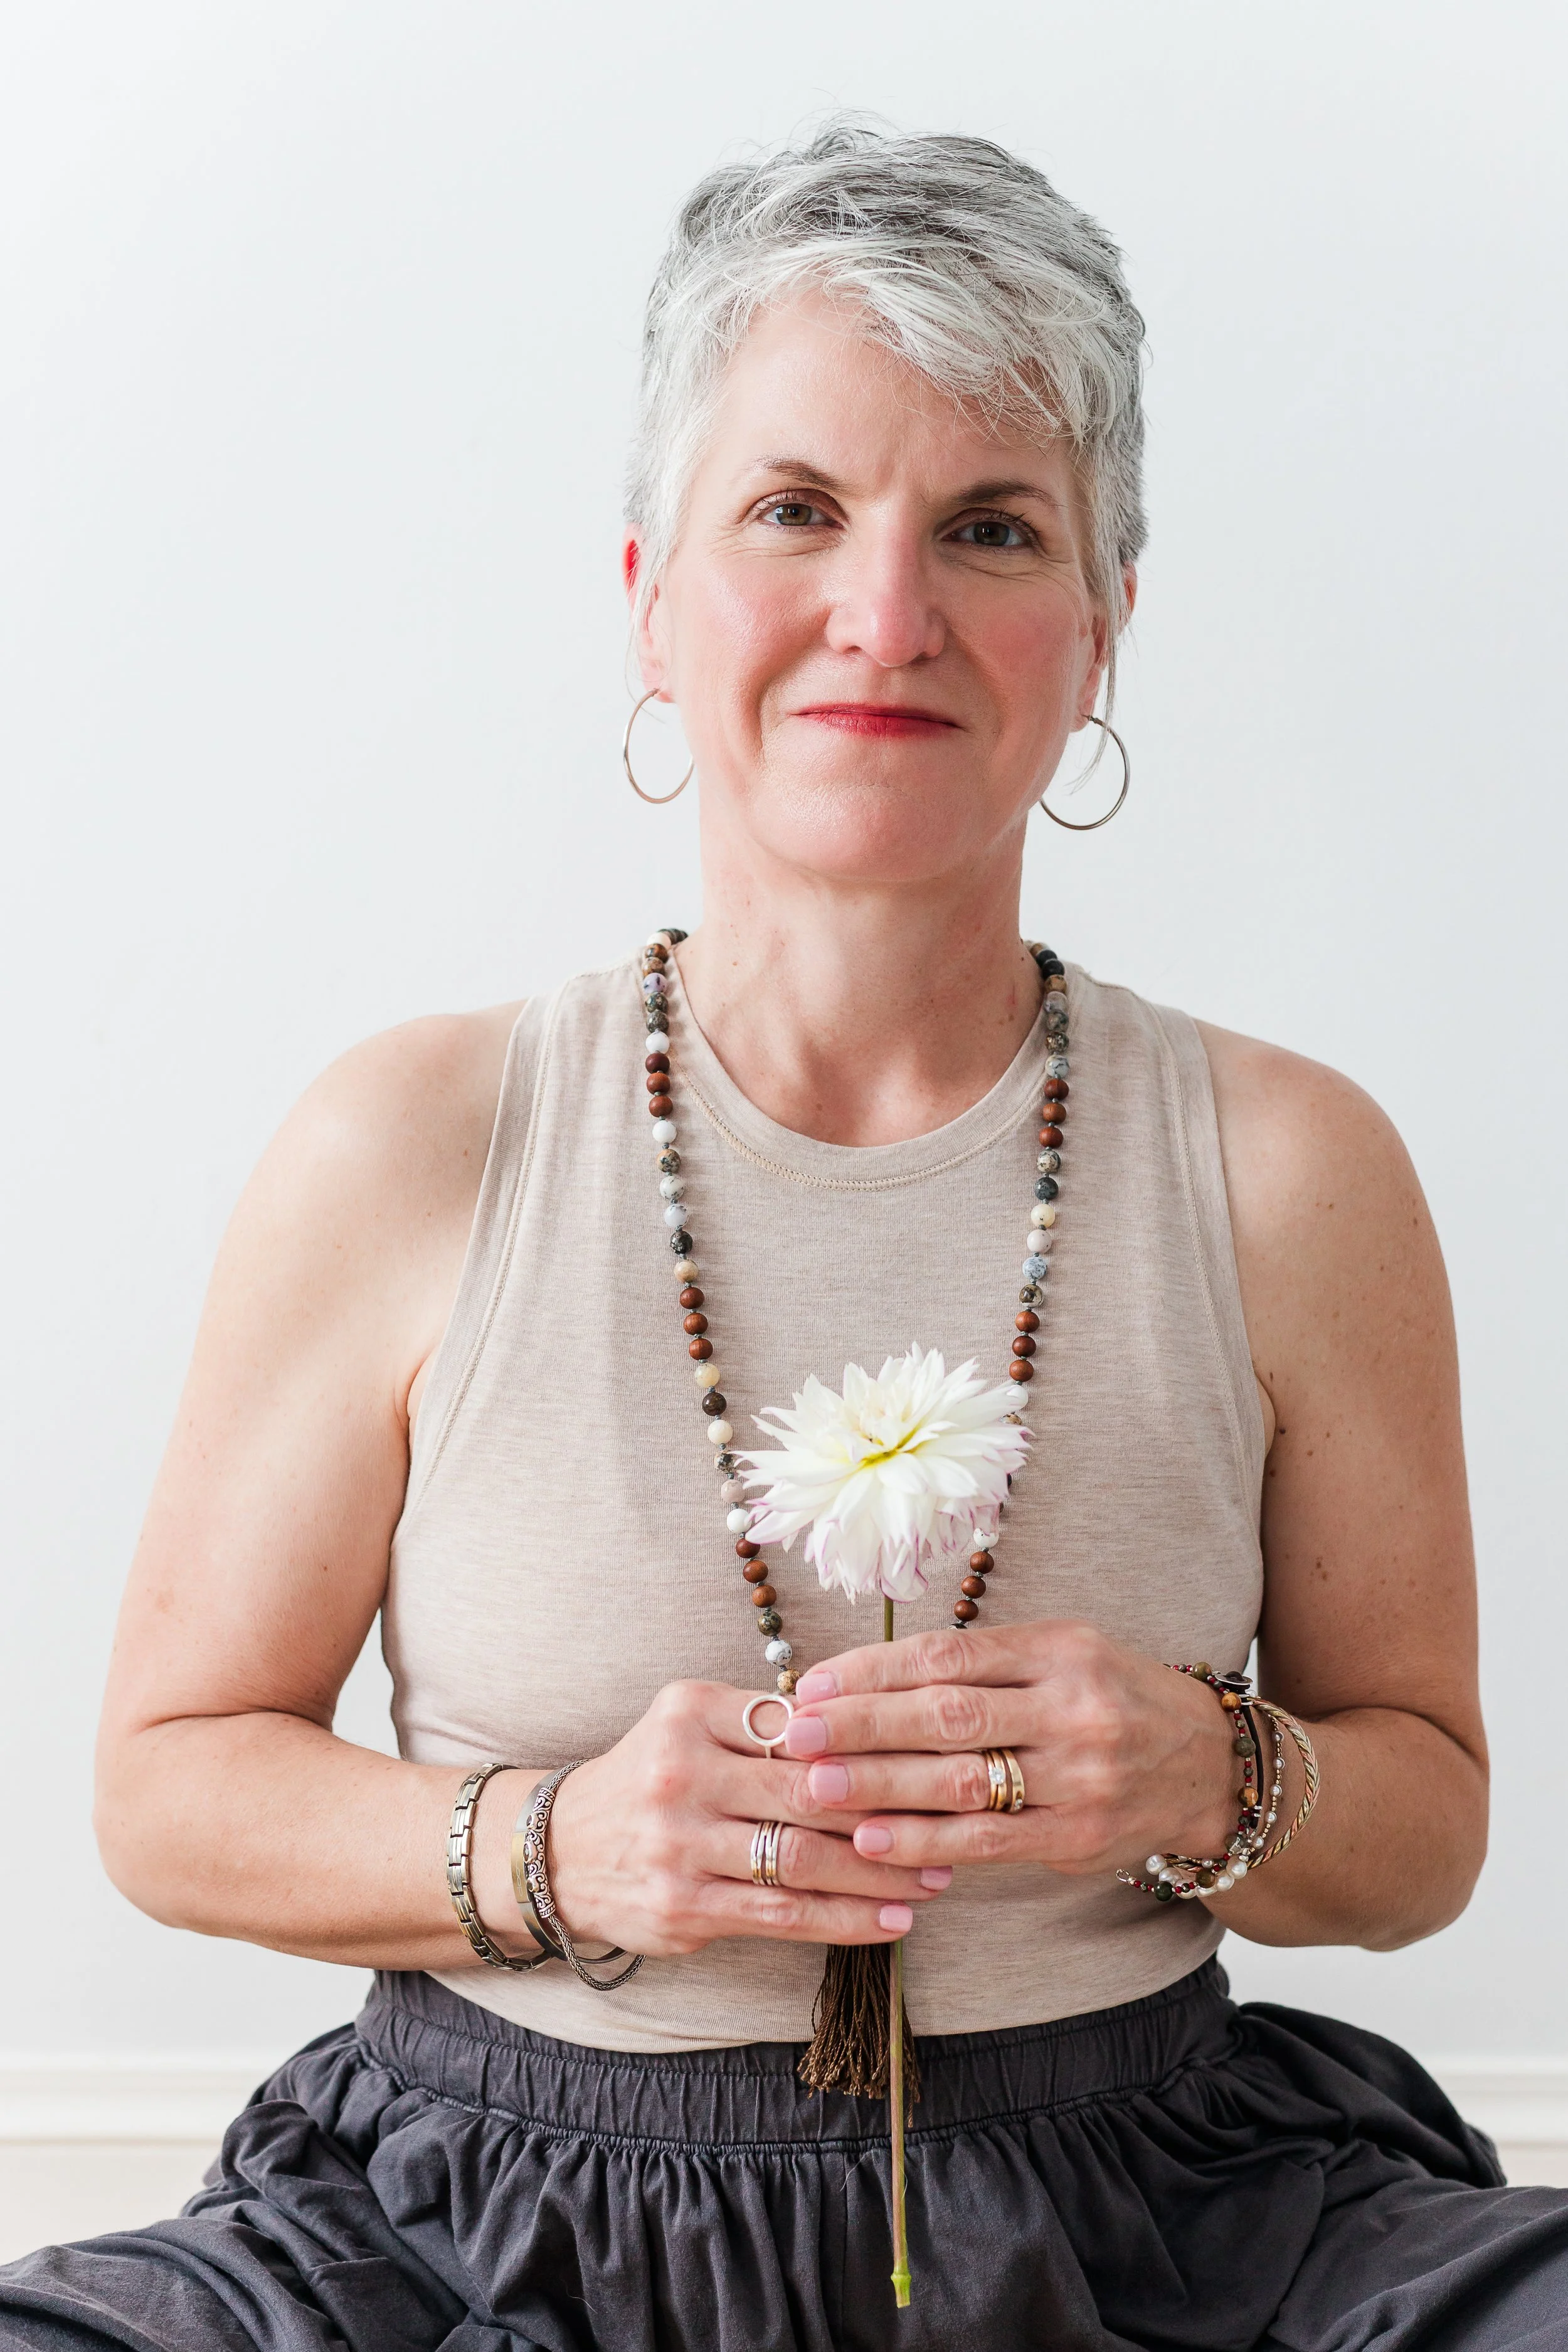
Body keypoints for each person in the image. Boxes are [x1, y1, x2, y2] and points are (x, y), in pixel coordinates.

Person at [4, 120, 1564, 2352]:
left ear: (1104, 622)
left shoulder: (1288, 1166)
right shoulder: (411, 1139)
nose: (886, 616)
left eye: (993, 528)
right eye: (796, 510)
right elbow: (168, 1785)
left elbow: (1417, 1824)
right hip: (489, 2215)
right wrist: (549, 1850)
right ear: (650, 588)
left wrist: (1208, 1774)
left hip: (1158, 2203)